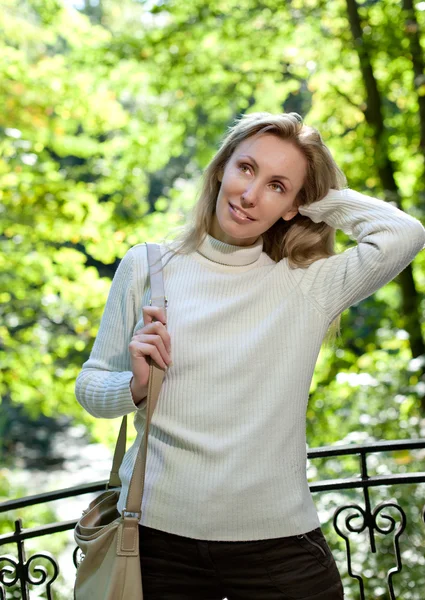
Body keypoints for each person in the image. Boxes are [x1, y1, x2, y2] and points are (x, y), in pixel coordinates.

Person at [75, 111, 425, 600]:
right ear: (221, 168)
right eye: (246, 168)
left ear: (293, 206)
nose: (250, 193)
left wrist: (316, 196)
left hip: (279, 549)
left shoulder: (307, 282)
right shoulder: (149, 266)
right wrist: (133, 387)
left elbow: (404, 233)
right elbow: (90, 387)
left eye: (277, 186)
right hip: (157, 545)